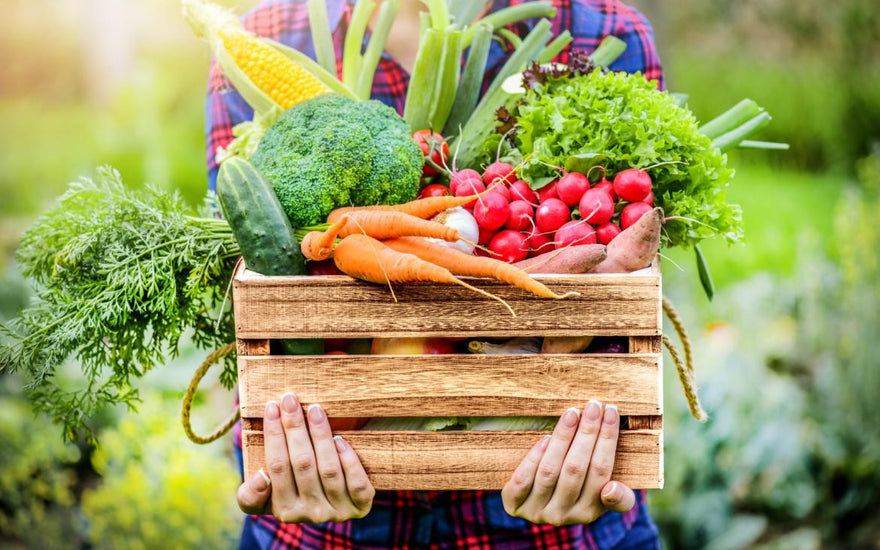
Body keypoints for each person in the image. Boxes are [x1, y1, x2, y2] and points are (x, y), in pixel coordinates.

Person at [206, 1, 665, 548]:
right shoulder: (261, 37)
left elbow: (630, 304)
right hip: (324, 529)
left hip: (556, 528)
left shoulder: (605, 31)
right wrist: (279, 443)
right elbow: (253, 271)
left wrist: (590, 427)